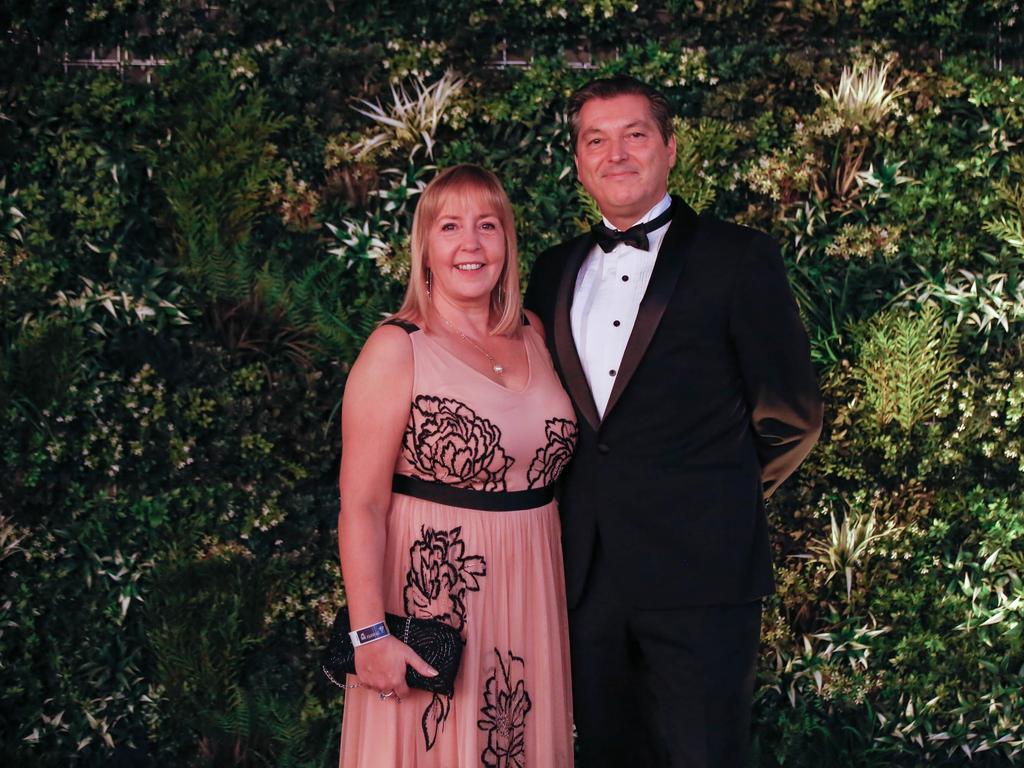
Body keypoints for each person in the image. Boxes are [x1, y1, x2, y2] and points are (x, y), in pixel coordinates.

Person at [524, 76, 824, 767]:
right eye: (596, 140)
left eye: (635, 135)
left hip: (702, 577)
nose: (616, 153)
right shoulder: (551, 271)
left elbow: (793, 418)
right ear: (578, 162)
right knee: (606, 754)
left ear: (670, 149)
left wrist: (715, 502)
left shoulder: (739, 257)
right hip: (587, 578)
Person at [337, 164, 576, 767]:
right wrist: (369, 636)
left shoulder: (536, 335)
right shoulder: (396, 348)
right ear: (425, 249)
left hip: (533, 590)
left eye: (487, 226)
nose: (470, 244)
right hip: (436, 604)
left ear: (507, 244)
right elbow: (361, 505)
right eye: (450, 227)